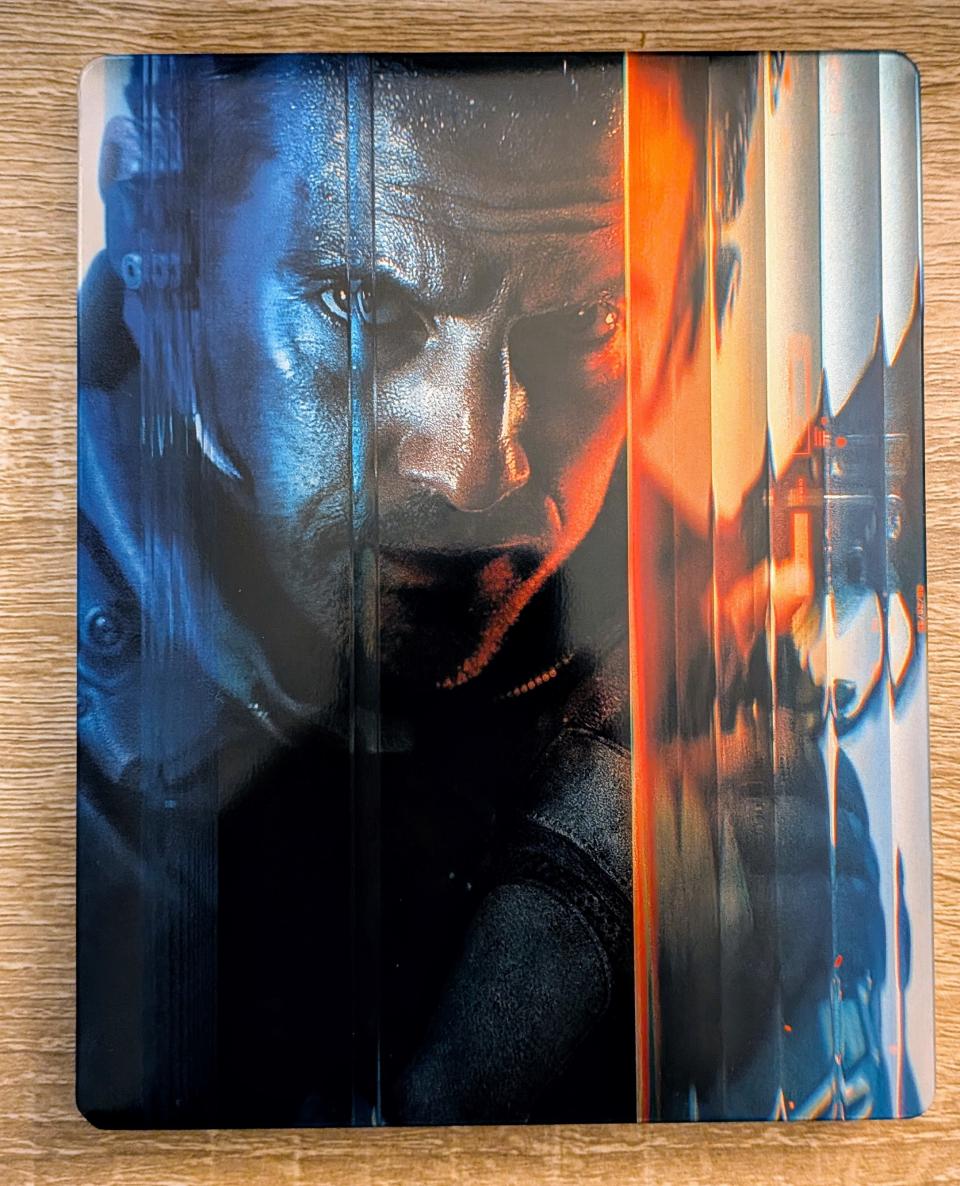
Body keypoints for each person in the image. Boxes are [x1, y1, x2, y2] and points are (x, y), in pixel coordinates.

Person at [77, 53, 898, 1127]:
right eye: (361, 303)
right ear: (156, 243)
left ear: (696, 303)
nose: (474, 468)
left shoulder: (741, 685)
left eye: (586, 322)